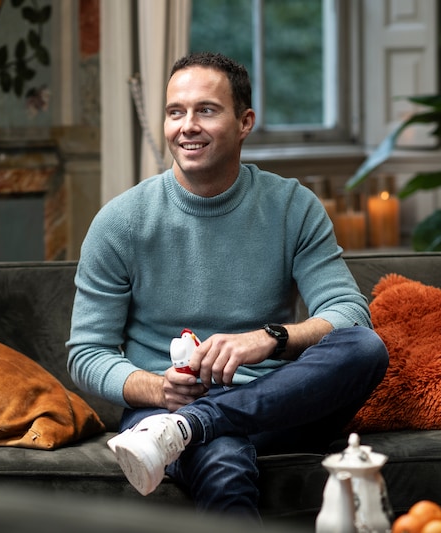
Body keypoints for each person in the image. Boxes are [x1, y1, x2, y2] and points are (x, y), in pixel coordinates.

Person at [66, 51, 388, 520]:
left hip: (277, 404)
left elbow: (349, 314)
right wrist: (159, 390)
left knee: (365, 347)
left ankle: (193, 426)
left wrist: (270, 338)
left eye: (206, 110)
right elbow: (87, 353)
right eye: (175, 112)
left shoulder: (292, 206)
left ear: (244, 122)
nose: (187, 126)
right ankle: (191, 426)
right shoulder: (120, 222)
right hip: (164, 410)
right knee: (222, 459)